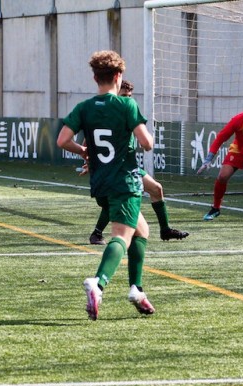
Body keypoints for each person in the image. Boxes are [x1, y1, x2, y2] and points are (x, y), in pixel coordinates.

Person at [57, 51, 156, 320]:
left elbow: (63, 140)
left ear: (94, 77)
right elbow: (146, 143)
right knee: (122, 237)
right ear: (118, 76)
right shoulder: (126, 105)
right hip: (124, 181)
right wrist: (146, 137)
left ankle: (137, 289)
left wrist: (84, 152)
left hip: (100, 183)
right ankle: (98, 283)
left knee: (142, 230)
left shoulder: (84, 107)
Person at [87, 79, 189, 245]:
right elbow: (89, 142)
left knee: (156, 189)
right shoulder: (107, 116)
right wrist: (91, 161)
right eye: (124, 95)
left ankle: (165, 230)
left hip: (128, 167)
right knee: (113, 201)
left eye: (129, 96)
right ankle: (97, 234)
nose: (128, 99)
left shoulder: (127, 112)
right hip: (112, 169)